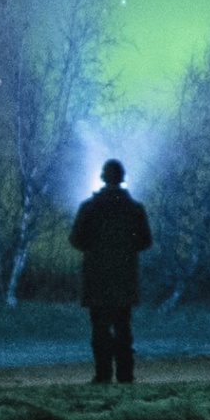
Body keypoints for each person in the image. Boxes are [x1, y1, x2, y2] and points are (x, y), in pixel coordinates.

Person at [69, 159, 152, 385]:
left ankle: (103, 375)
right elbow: (145, 241)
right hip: (124, 278)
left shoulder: (89, 208)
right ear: (123, 178)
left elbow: (76, 239)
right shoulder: (135, 209)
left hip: (97, 279)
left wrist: (96, 250)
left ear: (103, 178)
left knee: (100, 330)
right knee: (123, 329)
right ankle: (126, 375)